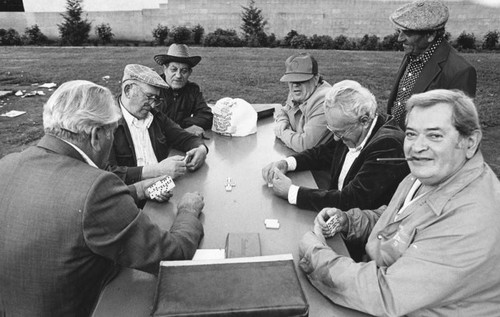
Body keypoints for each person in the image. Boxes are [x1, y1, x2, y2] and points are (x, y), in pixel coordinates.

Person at [0, 80, 205, 316]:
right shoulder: (96, 188)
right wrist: (188, 211)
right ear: (97, 135)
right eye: (113, 131)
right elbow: (172, 255)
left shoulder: (7, 164)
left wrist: (137, 190)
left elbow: (72, 209)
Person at [299, 89, 500, 316]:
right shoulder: (430, 173)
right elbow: (401, 221)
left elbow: (387, 294)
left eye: (434, 135)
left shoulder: (473, 219)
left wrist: (314, 254)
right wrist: (349, 221)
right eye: (412, 134)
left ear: (470, 142)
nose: (416, 147)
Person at [263, 80, 409, 261]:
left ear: (364, 120)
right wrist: (287, 163)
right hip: (335, 224)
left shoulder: (388, 145)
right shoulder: (352, 128)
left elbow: (350, 200)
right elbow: (323, 153)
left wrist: (291, 192)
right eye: (332, 130)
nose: (335, 138)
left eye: (339, 133)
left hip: (360, 244)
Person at [107, 64, 208, 186]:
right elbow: (106, 175)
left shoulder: (155, 116)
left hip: (162, 190)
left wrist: (201, 149)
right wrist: (156, 170)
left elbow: (185, 138)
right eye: (149, 97)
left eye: (156, 99)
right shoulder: (106, 125)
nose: (153, 105)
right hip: (130, 198)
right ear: (128, 90)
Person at [387, 0, 477, 129]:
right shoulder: (413, 52)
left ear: (430, 35)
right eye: (400, 31)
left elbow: (458, 126)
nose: (399, 38)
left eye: (408, 32)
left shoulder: (460, 71)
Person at [274, 52, 332, 152]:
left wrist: (281, 132)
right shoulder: (299, 92)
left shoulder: (325, 101)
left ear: (316, 79)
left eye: (301, 80)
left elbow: (305, 145)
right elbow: (283, 111)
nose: (295, 85)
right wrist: (282, 121)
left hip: (324, 164)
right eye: (291, 80)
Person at [154, 43, 213, 137]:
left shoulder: (192, 90)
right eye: (173, 70)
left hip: (183, 144)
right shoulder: (153, 88)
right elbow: (146, 122)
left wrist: (182, 124)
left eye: (184, 71)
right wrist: (182, 130)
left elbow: (206, 117)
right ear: (165, 69)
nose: (178, 76)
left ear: (190, 72)